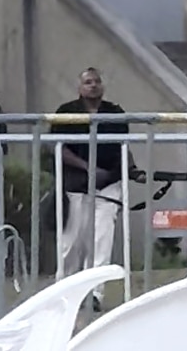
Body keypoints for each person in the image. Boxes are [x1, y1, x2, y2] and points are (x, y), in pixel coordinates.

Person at [49, 67, 144, 311]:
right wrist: (87, 168)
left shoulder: (114, 113)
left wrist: (131, 169)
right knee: (71, 243)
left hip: (109, 185)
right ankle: (65, 292)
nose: (93, 85)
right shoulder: (67, 113)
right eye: (88, 82)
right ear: (80, 87)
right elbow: (58, 147)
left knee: (101, 242)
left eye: (96, 81)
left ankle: (95, 294)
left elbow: (122, 146)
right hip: (76, 186)